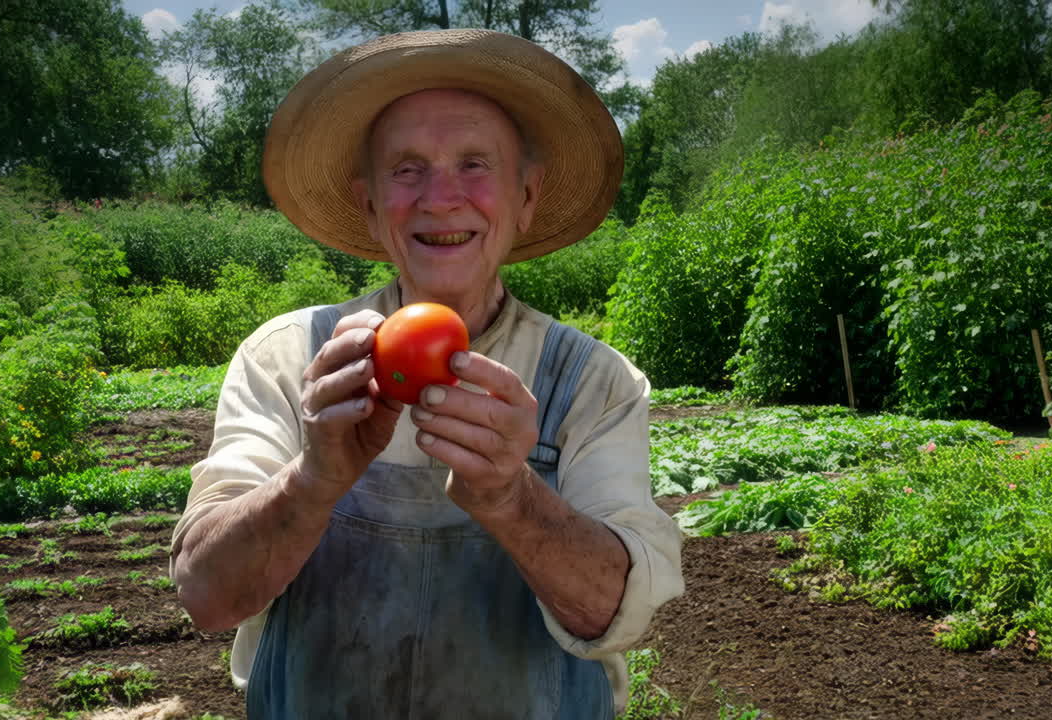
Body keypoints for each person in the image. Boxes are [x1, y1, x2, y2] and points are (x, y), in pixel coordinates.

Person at [170, 29, 684, 719]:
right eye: (407, 169)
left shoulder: (592, 382)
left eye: (475, 164)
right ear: (370, 204)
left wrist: (512, 498)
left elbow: (618, 611)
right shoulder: (290, 358)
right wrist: (313, 481)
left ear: (525, 196)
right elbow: (206, 595)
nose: (441, 197)